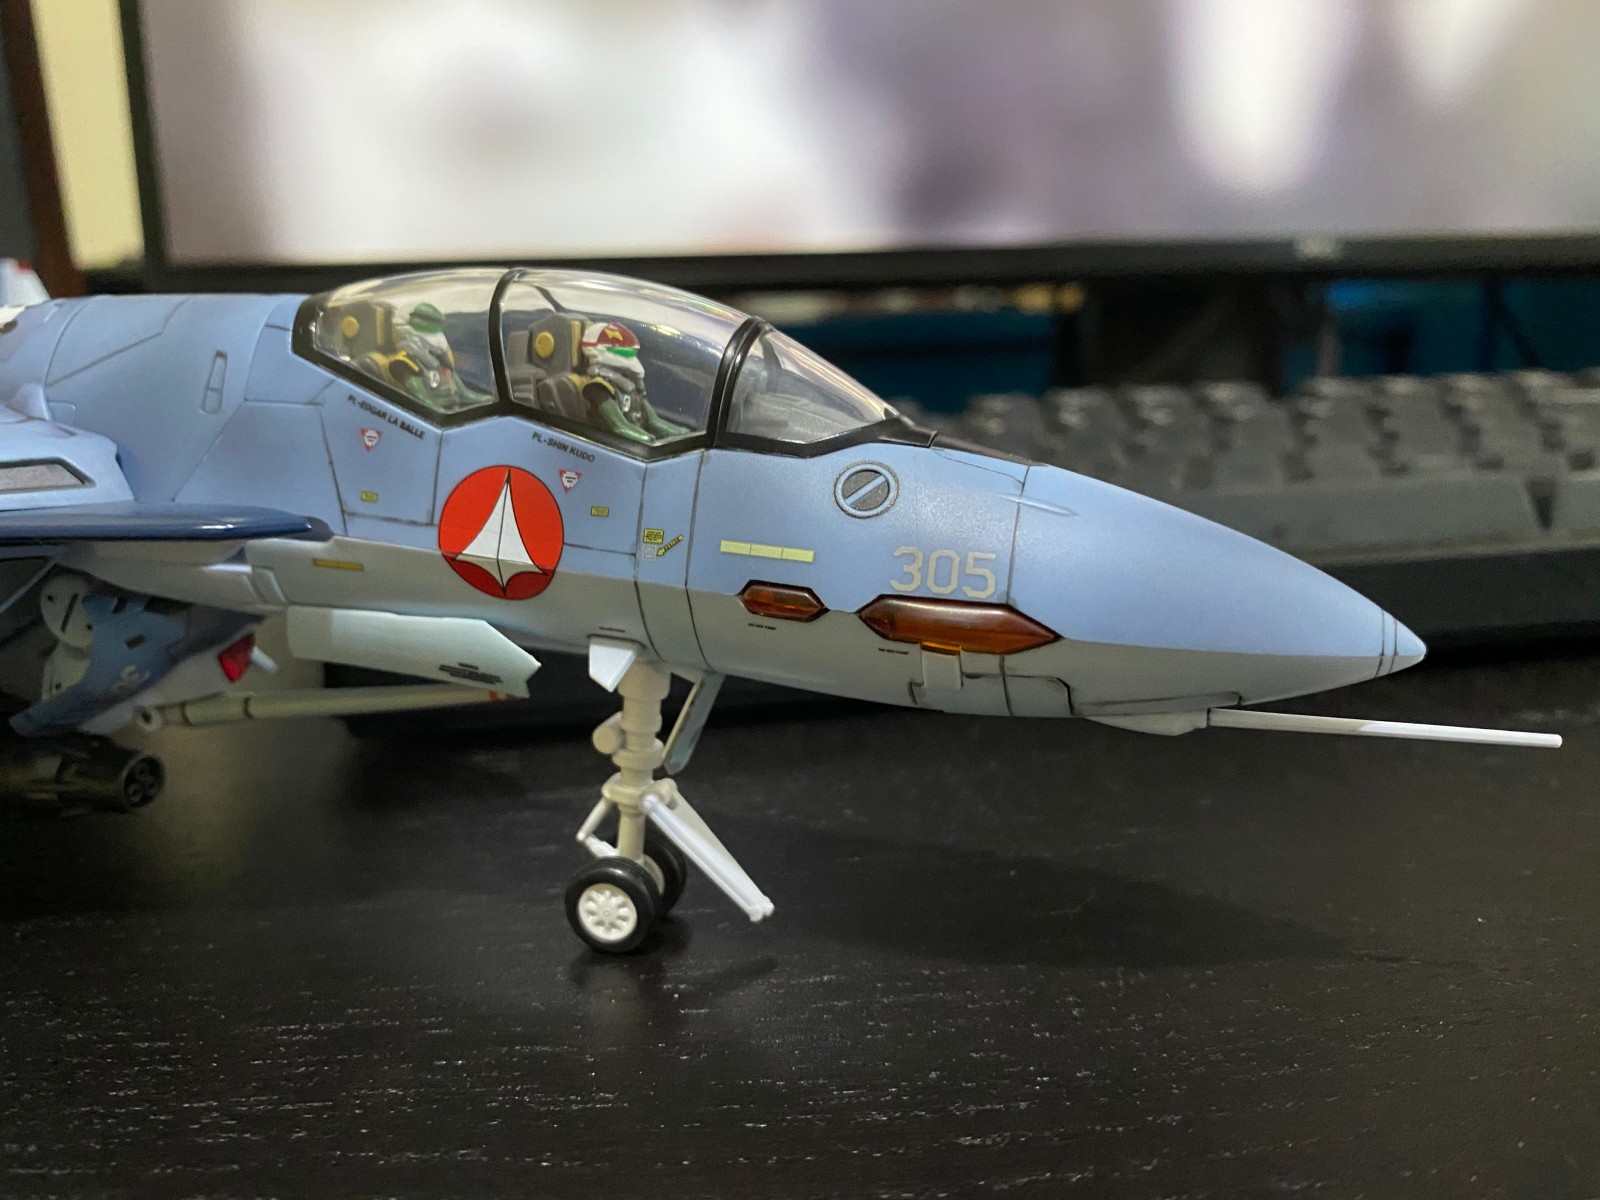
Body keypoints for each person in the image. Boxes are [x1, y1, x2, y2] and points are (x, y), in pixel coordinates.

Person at [576, 321, 687, 444]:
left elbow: (654, 422)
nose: (631, 358)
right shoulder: (598, 388)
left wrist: (683, 435)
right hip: (612, 445)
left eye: (632, 353)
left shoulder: (631, 386)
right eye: (625, 353)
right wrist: (650, 442)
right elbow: (619, 427)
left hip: (633, 444)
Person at [389, 302, 493, 412]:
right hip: (432, 417)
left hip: (454, 410)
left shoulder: (439, 359)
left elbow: (464, 393)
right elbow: (423, 399)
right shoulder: (403, 364)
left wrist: (491, 401)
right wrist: (444, 414)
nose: (437, 340)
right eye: (431, 333)